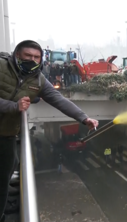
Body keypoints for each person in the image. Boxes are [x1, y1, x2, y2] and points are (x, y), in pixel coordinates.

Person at [0, 40, 99, 222]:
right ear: (17, 55)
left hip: (6, 135)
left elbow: (59, 100)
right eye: (27, 56)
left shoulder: (38, 79)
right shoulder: (2, 66)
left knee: (6, 172)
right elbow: (14, 105)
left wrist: (84, 118)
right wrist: (13, 107)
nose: (32, 60)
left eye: (36, 57)